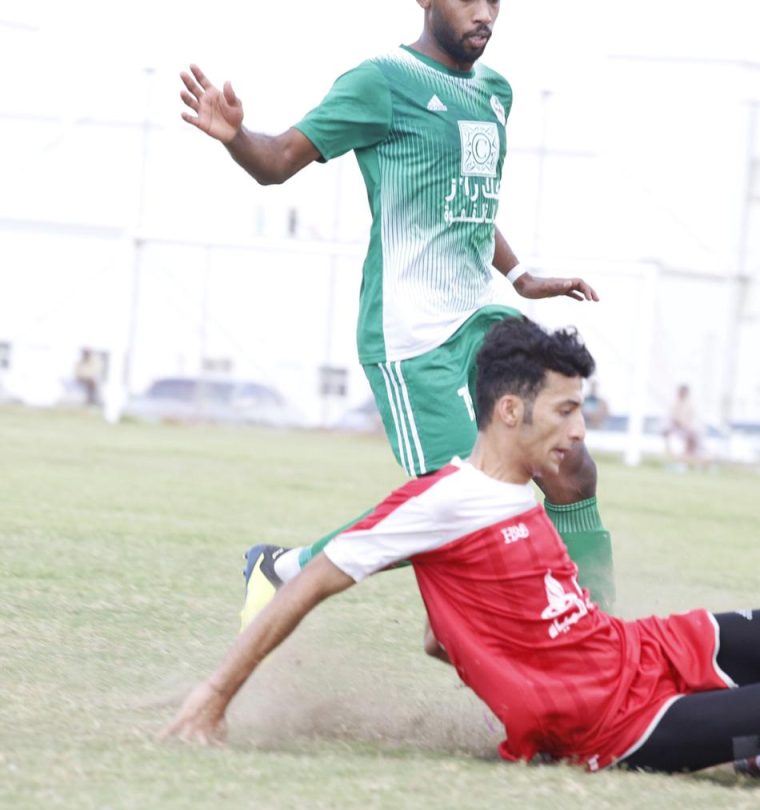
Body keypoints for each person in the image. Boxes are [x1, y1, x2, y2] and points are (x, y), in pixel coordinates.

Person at [163, 317, 760, 777]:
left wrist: (466, 641)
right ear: (511, 410)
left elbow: (456, 625)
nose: (579, 427)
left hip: (632, 650)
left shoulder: (527, 484)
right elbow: (309, 582)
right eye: (566, 409)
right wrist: (211, 697)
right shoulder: (439, 501)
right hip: (607, 719)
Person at [178, 0, 616, 631]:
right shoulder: (379, 81)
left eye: (495, 2)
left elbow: (468, 200)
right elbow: (276, 161)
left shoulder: (496, 92)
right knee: (461, 504)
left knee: (569, 467)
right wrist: (238, 138)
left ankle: (601, 638)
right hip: (414, 336)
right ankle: (286, 569)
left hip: (486, 320)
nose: (485, 14)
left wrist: (521, 276)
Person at [664, 383, 700, 467]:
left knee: (692, 438)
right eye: (682, 392)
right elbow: (672, 418)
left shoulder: (689, 405)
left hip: (685, 429)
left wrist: (686, 426)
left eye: (685, 392)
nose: (684, 394)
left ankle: (687, 460)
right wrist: (678, 424)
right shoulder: (674, 403)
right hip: (675, 429)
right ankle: (677, 461)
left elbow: (690, 418)